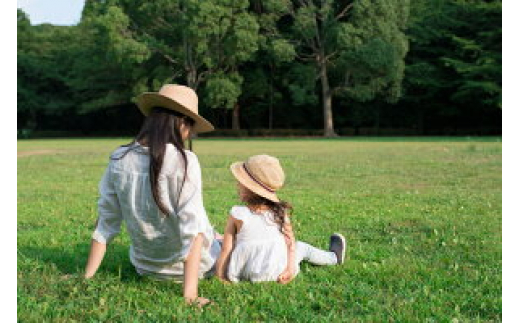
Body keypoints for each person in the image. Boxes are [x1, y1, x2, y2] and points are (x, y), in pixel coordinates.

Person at [84, 84, 219, 306]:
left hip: (145, 267)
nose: (191, 133)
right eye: (191, 126)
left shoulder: (119, 157)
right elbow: (192, 230)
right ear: (181, 122)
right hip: (197, 268)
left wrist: (87, 276)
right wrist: (190, 295)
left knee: (214, 234)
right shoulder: (185, 161)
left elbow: (106, 221)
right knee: (228, 238)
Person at [215, 154, 347, 284]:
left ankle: (333, 257)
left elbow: (227, 249)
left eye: (240, 183)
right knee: (301, 247)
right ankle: (333, 258)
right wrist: (289, 269)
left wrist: (221, 276)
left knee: (230, 243)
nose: (237, 185)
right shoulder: (281, 213)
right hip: (277, 271)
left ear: (250, 189)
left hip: (243, 271)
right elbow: (290, 245)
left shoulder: (237, 213)